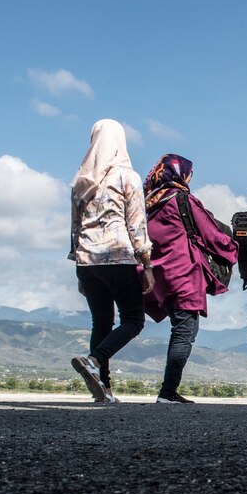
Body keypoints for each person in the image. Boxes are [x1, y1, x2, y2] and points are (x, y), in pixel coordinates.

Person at [69, 119, 154, 403]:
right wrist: (147, 264)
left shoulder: (81, 180)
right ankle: (95, 361)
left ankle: (102, 389)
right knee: (133, 320)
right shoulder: (126, 177)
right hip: (117, 257)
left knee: (101, 322)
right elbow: (136, 226)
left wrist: (78, 269)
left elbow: (75, 227)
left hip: (86, 261)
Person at [142, 154, 238, 404]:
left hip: (161, 277)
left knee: (181, 329)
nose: (190, 178)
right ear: (180, 173)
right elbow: (211, 235)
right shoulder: (183, 199)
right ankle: (167, 392)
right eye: (189, 174)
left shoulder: (151, 205)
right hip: (184, 275)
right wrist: (235, 247)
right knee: (185, 331)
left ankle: (168, 391)